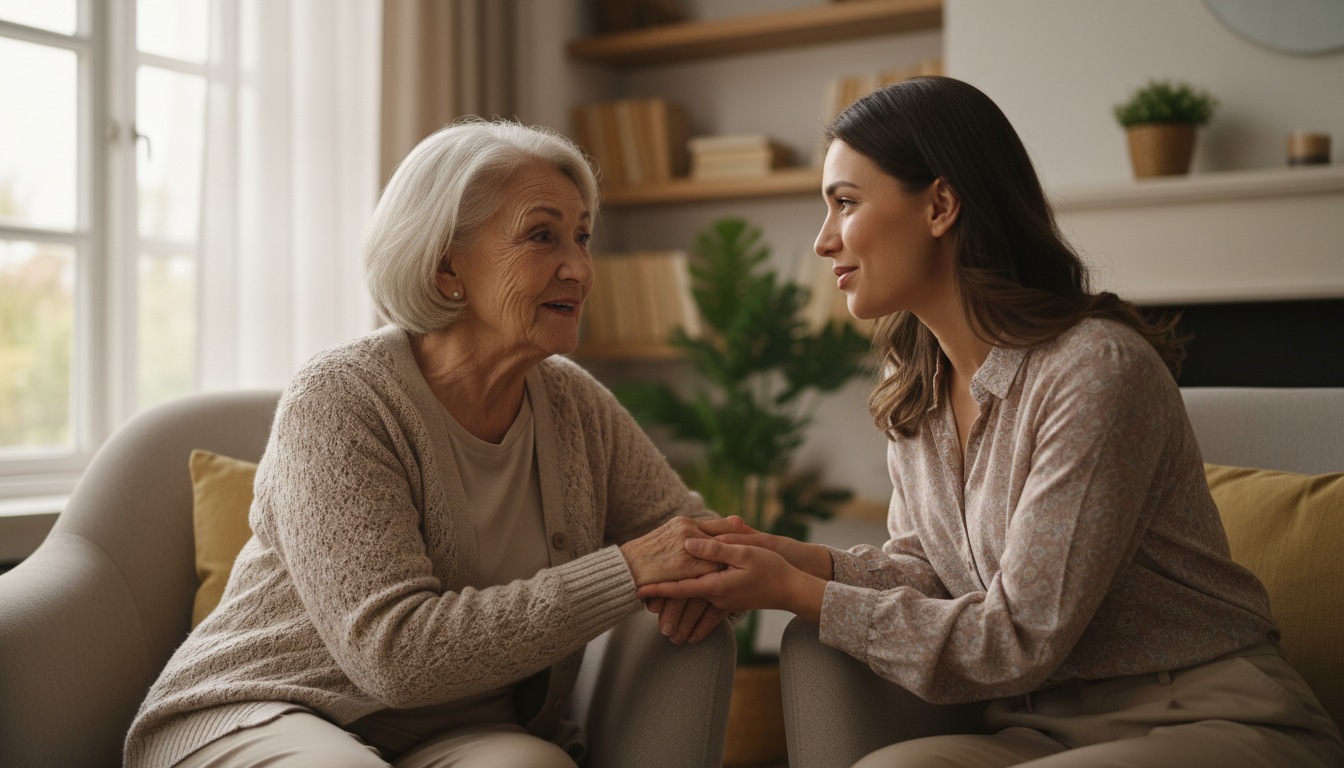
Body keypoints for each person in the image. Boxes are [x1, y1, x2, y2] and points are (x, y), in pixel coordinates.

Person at [638, 77, 1344, 768]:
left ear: (941, 204)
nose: (824, 241)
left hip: (1206, 714)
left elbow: (1018, 638)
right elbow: (929, 572)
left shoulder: (1095, 370)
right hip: (1039, 727)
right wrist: (798, 559)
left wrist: (795, 593)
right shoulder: (915, 386)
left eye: (845, 203)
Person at [123, 119, 729, 768]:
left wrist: (712, 572)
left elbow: (691, 535)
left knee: (536, 766)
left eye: (582, 237)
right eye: (542, 236)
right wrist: (631, 569)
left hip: (455, 732)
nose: (579, 268)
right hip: (265, 706)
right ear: (446, 267)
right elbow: (395, 656)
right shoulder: (340, 398)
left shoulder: (575, 403)